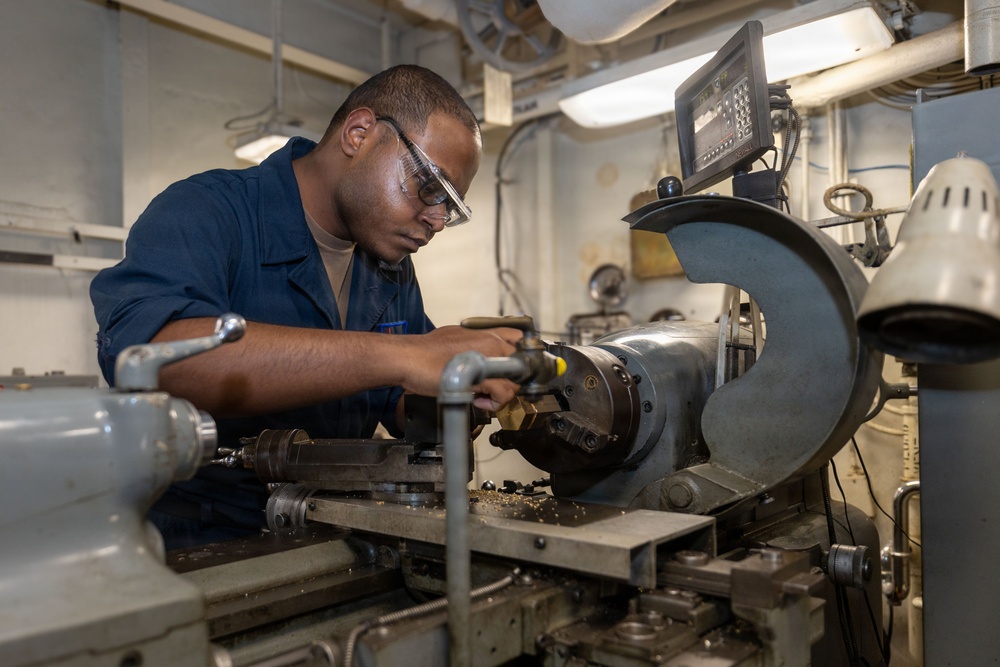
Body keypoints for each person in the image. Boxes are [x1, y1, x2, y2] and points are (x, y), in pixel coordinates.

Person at [90, 65, 521, 548]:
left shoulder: (386, 264)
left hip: (337, 530)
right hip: (203, 543)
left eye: (451, 207)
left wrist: (461, 391)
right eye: (429, 188)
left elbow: (397, 402)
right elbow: (153, 360)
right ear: (359, 134)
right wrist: (401, 356)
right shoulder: (207, 211)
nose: (437, 220)